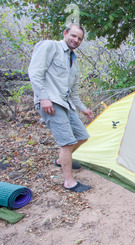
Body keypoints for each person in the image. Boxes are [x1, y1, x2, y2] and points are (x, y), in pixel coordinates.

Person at [28, 23, 94, 193]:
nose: (76, 40)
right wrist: (43, 97)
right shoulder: (50, 46)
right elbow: (35, 72)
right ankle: (69, 182)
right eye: (73, 35)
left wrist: (83, 108)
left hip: (66, 103)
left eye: (79, 38)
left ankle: (60, 161)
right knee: (67, 142)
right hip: (51, 102)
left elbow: (74, 92)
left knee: (82, 135)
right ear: (65, 33)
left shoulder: (74, 61)